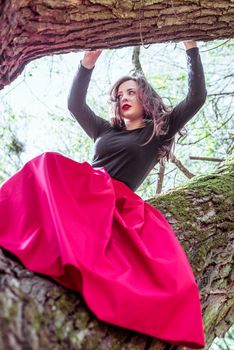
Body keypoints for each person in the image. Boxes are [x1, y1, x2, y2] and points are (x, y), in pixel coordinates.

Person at [0, 40, 206, 349]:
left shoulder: (158, 130)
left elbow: (196, 97)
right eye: (119, 95)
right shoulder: (105, 131)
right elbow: (75, 105)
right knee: (47, 163)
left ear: (144, 97)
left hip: (117, 201)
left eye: (130, 92)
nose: (123, 98)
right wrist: (87, 63)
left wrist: (191, 48)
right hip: (84, 187)